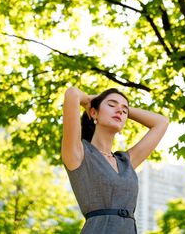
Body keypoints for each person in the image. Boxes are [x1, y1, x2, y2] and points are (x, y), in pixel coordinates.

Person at [61, 86, 169, 234]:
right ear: (93, 113)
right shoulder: (78, 154)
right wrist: (91, 101)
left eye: (125, 111)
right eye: (111, 105)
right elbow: (72, 93)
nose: (119, 110)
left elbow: (161, 122)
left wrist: (119, 109)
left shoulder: (126, 161)